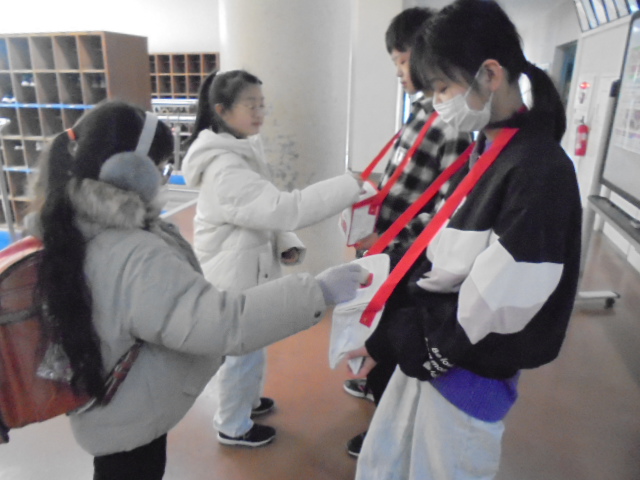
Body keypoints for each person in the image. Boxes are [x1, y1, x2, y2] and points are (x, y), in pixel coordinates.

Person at [28, 100, 366, 480]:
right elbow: (220, 323)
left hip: (111, 403)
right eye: (158, 168)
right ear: (128, 172)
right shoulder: (131, 252)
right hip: (128, 416)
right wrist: (318, 291)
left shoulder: (77, 224)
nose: (160, 179)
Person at [348, 0, 582, 478]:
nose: (439, 103)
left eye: (443, 87)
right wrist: (391, 330)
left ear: (490, 74)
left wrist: (415, 344)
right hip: (438, 356)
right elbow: (444, 250)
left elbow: (498, 300)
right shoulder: (488, 148)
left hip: (465, 371)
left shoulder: (539, 169)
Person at [181, 70, 363, 447]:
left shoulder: (241, 149)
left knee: (254, 344)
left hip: (246, 266)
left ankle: (247, 403)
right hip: (230, 274)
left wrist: (284, 242)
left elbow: (260, 209)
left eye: (262, 104)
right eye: (250, 105)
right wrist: (349, 186)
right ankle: (232, 425)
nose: (259, 113)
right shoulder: (225, 168)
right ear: (222, 110)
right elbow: (282, 208)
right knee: (240, 351)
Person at [342, 6, 472, 457]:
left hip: (408, 256)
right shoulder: (421, 111)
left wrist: (388, 237)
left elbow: (446, 208)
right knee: (377, 331)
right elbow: (408, 180)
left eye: (403, 60)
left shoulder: (452, 123)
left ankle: (387, 433)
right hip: (389, 247)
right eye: (395, 61)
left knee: (393, 340)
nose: (399, 71)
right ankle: (379, 392)